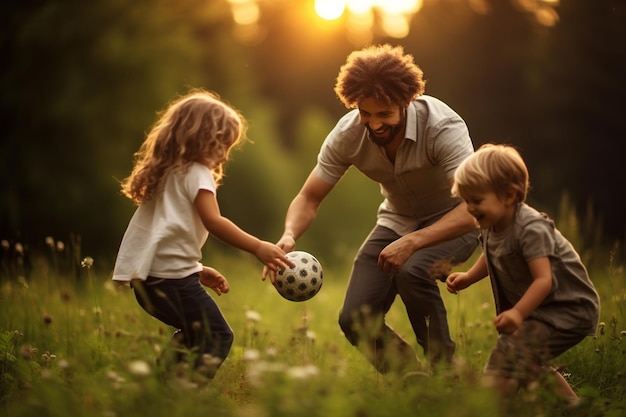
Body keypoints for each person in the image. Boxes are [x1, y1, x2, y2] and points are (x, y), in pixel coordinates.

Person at [268, 44, 480, 374]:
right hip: (396, 219)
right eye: (365, 113)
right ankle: (411, 380)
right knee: (355, 318)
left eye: (384, 114)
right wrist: (289, 234)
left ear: (406, 101)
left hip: (456, 219)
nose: (374, 124)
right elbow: (309, 197)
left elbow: (473, 207)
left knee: (414, 271)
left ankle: (445, 373)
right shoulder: (348, 134)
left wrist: (413, 243)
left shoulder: (442, 127)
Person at [112, 89, 292, 381]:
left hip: (149, 283)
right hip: (172, 283)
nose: (223, 155)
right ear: (199, 138)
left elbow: (164, 236)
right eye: (220, 144)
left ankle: (158, 393)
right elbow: (214, 221)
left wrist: (195, 270)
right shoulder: (197, 172)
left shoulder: (166, 173)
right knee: (217, 336)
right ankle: (183, 398)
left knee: (194, 334)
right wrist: (258, 246)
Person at [446, 143, 600, 404]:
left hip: (567, 308)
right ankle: (575, 409)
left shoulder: (531, 229)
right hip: (544, 311)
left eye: (477, 200)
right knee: (530, 361)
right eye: (466, 200)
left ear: (508, 196)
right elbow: (492, 253)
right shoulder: (490, 224)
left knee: (510, 353)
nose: (470, 208)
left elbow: (544, 279)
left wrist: (518, 313)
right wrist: (469, 277)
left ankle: (488, 407)